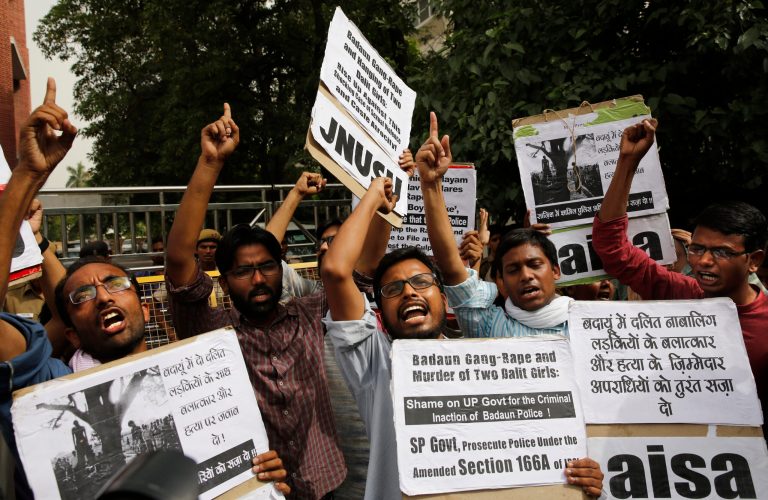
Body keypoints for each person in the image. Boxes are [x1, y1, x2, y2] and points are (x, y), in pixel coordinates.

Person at [0, 81, 289, 498]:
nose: (103, 296)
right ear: (71, 334)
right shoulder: (48, 384)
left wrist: (260, 478)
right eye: (83, 297)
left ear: (147, 309)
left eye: (115, 284)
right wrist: (27, 175)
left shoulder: (196, 377)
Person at [320, 175, 605, 499]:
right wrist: (375, 196)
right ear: (380, 315)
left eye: (421, 282)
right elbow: (336, 271)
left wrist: (580, 477)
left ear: (444, 299)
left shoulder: (481, 363)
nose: (409, 292)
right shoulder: (374, 361)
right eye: (393, 289)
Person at [165, 104, 346, 498]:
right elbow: (178, 261)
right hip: (256, 491)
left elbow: (349, 271)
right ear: (224, 281)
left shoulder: (310, 312)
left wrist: (379, 196)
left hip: (325, 482)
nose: (259, 279)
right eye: (244, 272)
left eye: (267, 267)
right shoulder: (211, 333)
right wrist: (210, 163)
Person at [591, 118, 768, 437]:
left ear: (753, 261)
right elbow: (612, 248)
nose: (704, 261)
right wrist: (627, 163)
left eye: (722, 252)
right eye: (697, 249)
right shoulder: (682, 294)